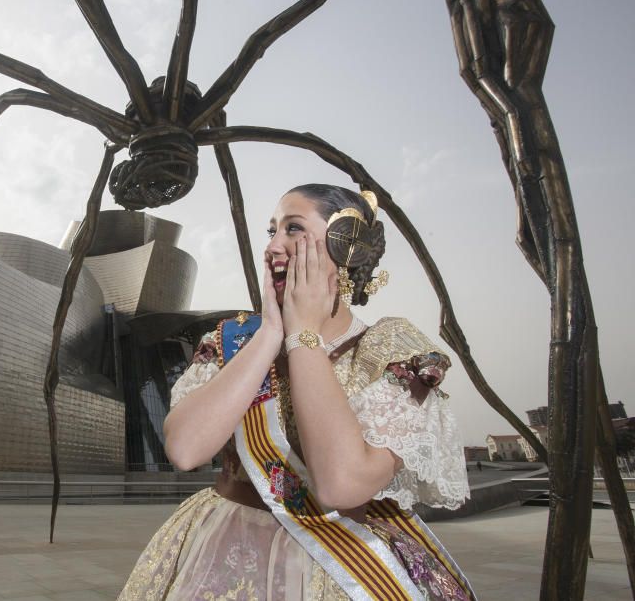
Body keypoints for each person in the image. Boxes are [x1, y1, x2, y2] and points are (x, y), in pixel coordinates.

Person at [119, 184, 474, 600]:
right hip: (226, 550)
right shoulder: (234, 340)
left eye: (293, 229)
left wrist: (303, 335)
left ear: (346, 244)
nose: (273, 247)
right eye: (271, 231)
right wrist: (271, 333)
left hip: (341, 564)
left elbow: (342, 487)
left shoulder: (393, 352)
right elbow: (185, 450)